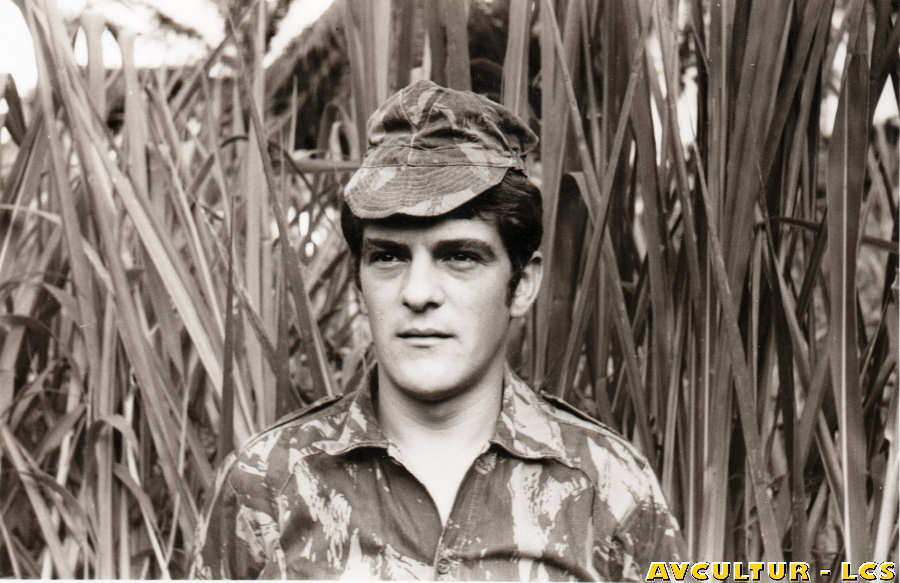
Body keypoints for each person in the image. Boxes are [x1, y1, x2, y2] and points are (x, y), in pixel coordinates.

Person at [192, 79, 684, 581]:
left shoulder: (611, 488)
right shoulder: (267, 482)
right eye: (389, 257)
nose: (418, 292)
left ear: (522, 284)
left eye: (460, 257)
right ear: (359, 280)